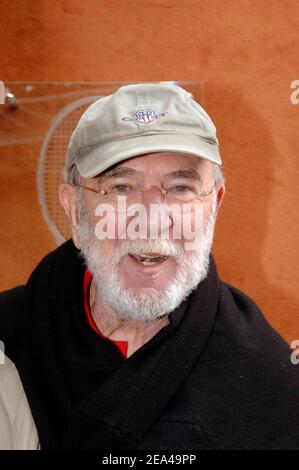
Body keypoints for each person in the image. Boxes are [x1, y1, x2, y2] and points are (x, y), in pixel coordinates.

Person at [0, 83, 298, 450]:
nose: (153, 219)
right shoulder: (8, 335)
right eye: (121, 187)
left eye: (180, 189)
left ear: (215, 205)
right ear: (75, 211)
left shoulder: (268, 382)